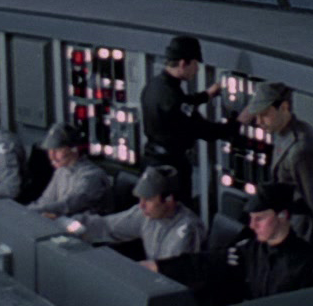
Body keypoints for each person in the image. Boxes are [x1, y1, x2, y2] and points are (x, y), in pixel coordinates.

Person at [149, 183, 313, 306]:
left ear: (283, 216)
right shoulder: (251, 250)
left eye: (260, 219)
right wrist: (160, 267)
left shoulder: (307, 263)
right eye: (251, 219)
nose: (252, 226)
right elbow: (208, 262)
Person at [239, 82, 313, 248]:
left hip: (301, 231)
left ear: (284, 108)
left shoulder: (300, 150)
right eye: (257, 116)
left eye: (264, 115)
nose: (259, 121)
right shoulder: (283, 133)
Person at [139, 35, 234, 204]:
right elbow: (206, 131)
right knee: (176, 212)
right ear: (183, 63)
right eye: (195, 64)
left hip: (152, 161)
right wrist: (237, 123)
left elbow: (182, 103)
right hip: (171, 169)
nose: (197, 70)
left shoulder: (153, 85)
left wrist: (206, 95)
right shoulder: (174, 98)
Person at [61, 166, 207, 261]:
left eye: (148, 199)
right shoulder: (146, 214)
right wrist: (67, 225)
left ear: (169, 200)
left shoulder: (187, 229)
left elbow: (174, 275)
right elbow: (107, 226)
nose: (141, 205)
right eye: (141, 199)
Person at [26, 123, 112, 218]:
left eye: (57, 150)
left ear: (74, 149)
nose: (52, 156)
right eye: (49, 150)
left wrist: (32, 211)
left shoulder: (92, 177)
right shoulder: (61, 171)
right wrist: (25, 211)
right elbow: (45, 200)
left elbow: (68, 205)